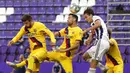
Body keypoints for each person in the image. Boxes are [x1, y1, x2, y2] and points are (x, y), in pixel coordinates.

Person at [82, 8, 110, 73]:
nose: (86, 19)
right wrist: (88, 40)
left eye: (86, 17)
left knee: (94, 60)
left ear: (91, 15)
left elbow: (98, 24)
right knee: (85, 56)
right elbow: (91, 35)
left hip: (102, 41)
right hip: (97, 43)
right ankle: (102, 67)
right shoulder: (92, 24)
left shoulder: (95, 17)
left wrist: (86, 30)